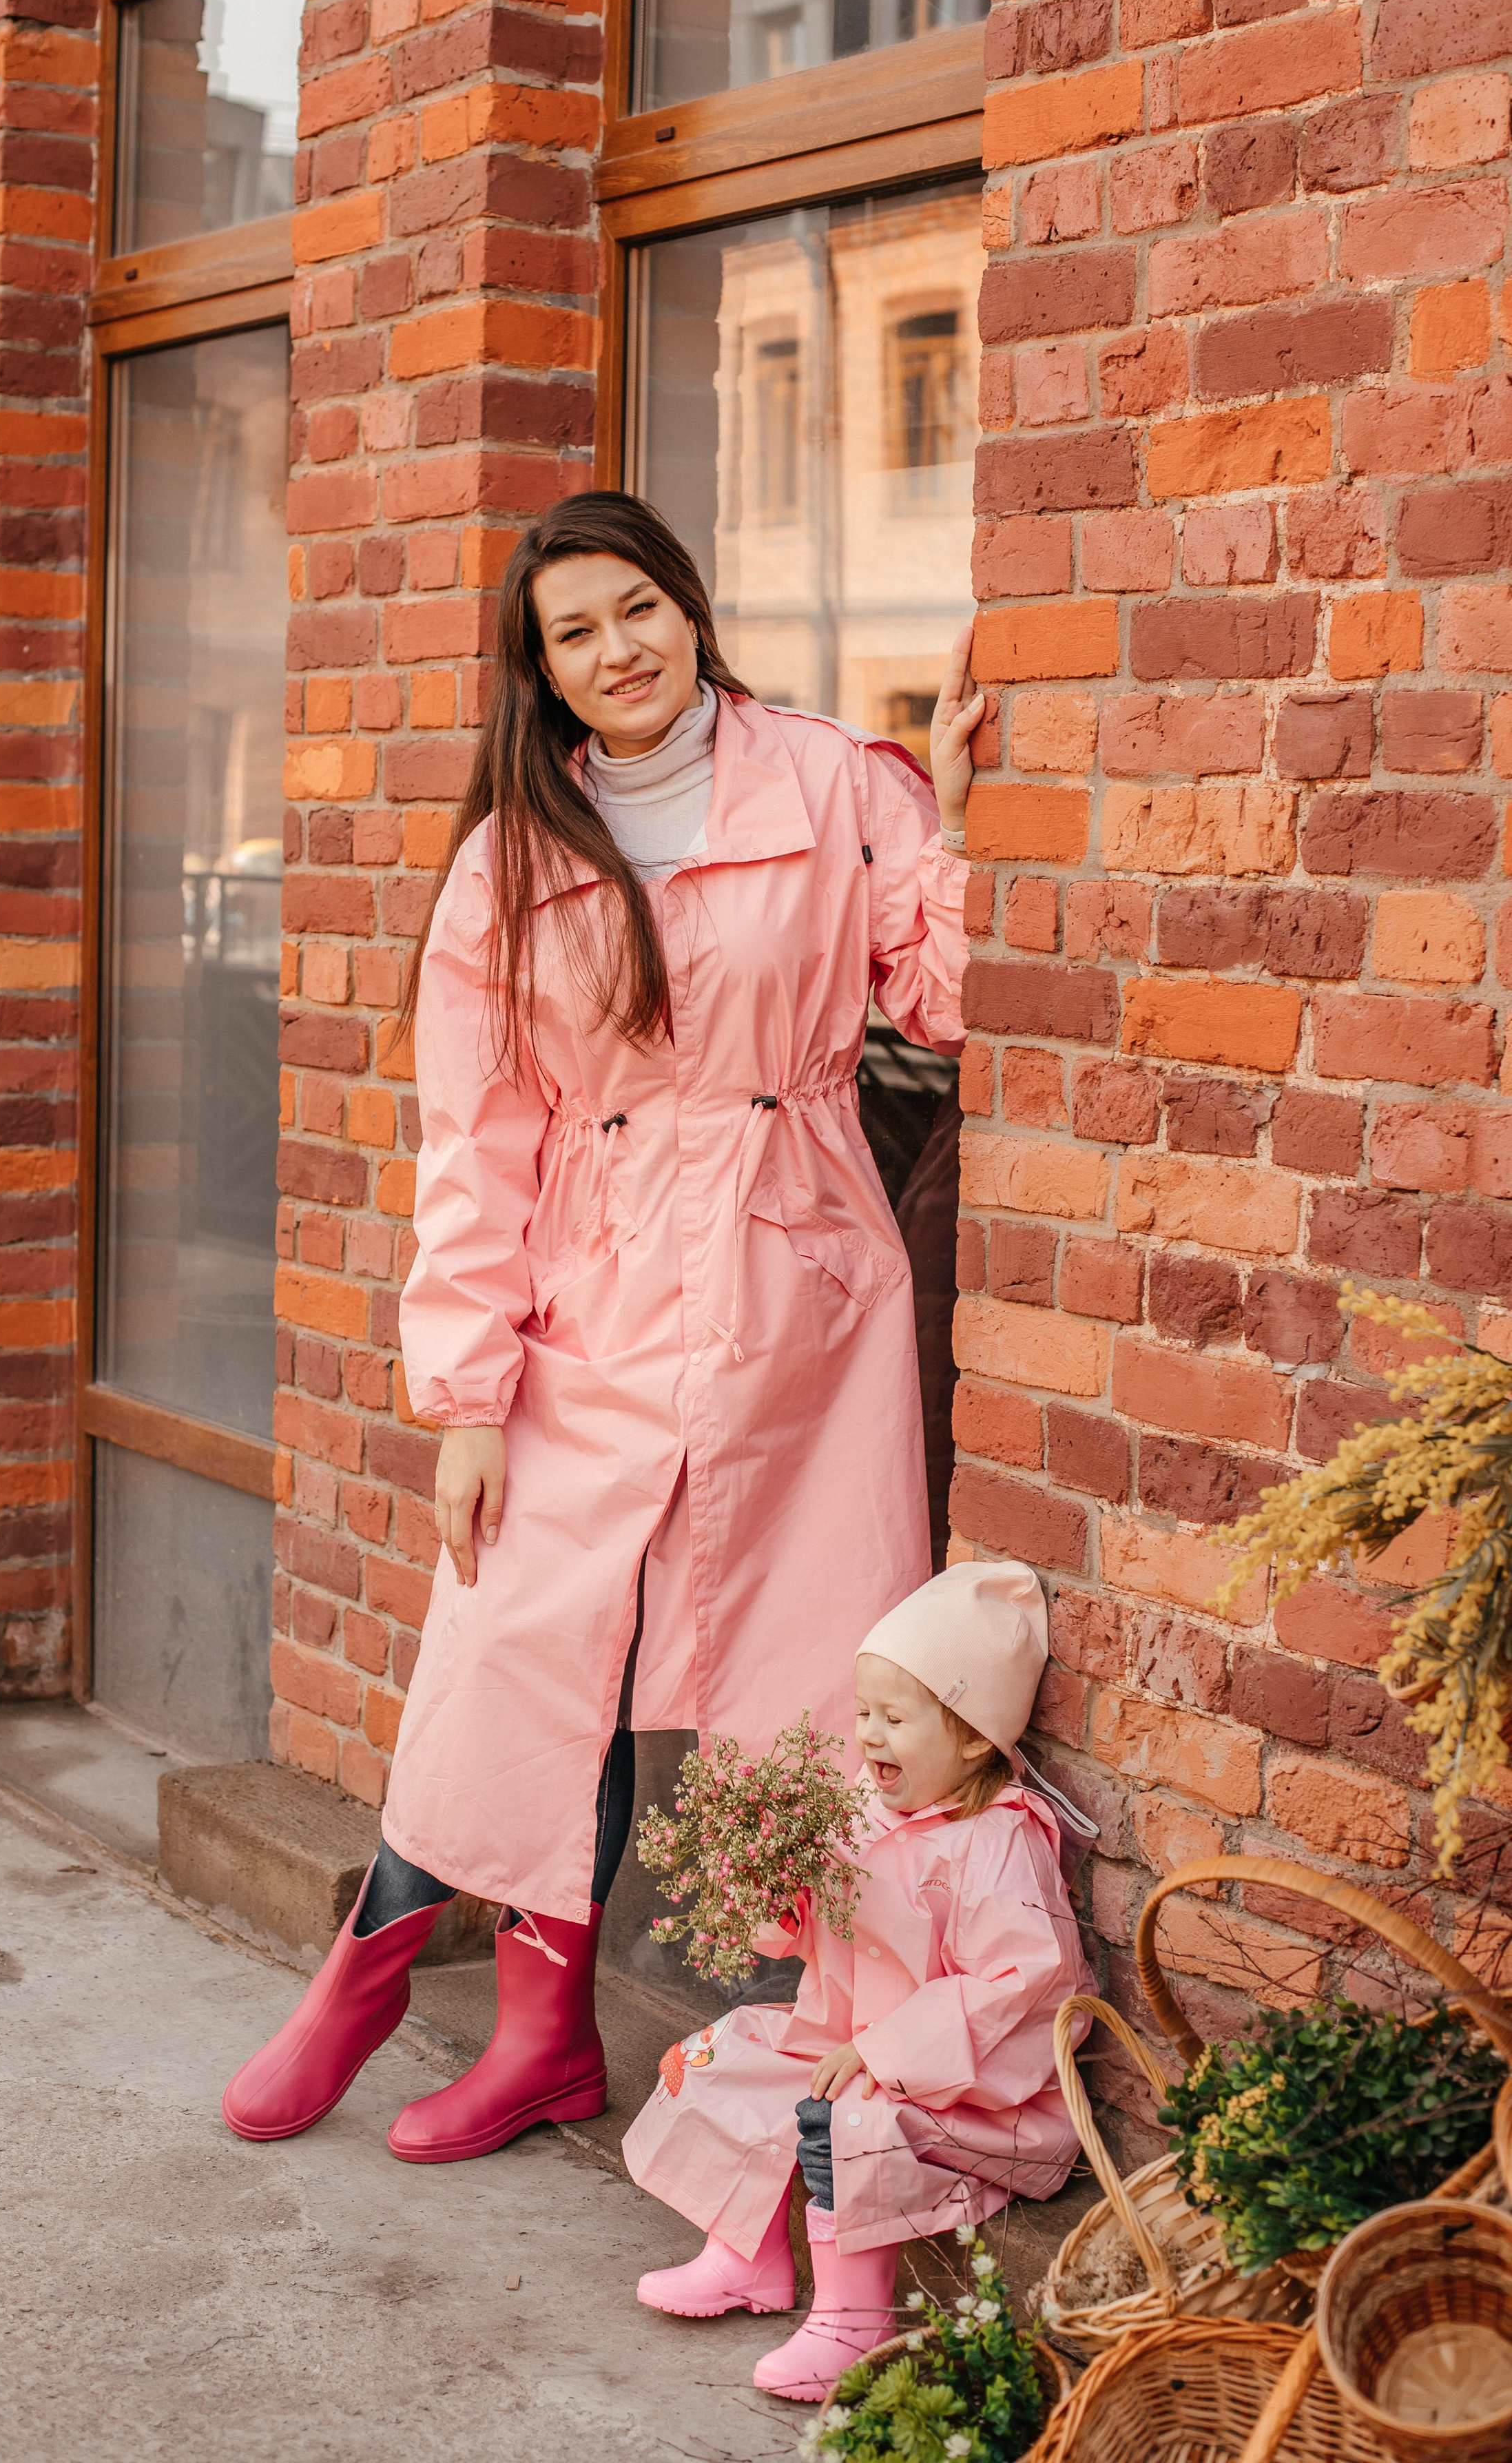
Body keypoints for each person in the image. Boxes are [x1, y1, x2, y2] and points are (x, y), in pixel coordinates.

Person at [221, 491, 985, 2156]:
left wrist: (964, 816)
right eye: (574, 632)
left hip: (797, 1280)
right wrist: (471, 1391)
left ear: (686, 605)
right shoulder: (513, 849)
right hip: (591, 1275)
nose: (615, 651)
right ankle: (424, 1996)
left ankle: (843, 2062)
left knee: (806, 1673)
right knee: (520, 1653)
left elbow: (938, 997)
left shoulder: (829, 776)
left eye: (634, 608)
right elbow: (473, 1130)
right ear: (543, 670)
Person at [624, 1562, 1095, 2405]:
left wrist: (885, 2050)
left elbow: (1023, 1983)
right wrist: (775, 1889)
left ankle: (854, 2318)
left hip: (973, 2095)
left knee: (850, 2117)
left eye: (894, 1718)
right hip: (850, 2040)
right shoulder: (863, 1809)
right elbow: (815, 1932)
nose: (868, 1737)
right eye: (863, 1714)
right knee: (732, 2052)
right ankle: (749, 2255)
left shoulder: (995, 1847)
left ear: (973, 1736)